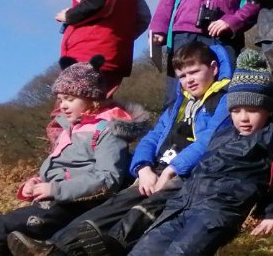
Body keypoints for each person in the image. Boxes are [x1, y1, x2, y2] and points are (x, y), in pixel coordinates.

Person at [32, 43, 236, 256]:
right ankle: (55, 247)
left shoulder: (223, 101)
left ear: (213, 68)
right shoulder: (177, 106)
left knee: (147, 206)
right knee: (113, 206)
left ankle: (111, 245)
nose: (189, 80)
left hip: (186, 173)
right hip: (156, 169)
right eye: (182, 76)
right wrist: (142, 167)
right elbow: (151, 138)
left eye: (194, 72)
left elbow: (207, 141)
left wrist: (171, 170)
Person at [0, 57, 150, 256]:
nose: (63, 105)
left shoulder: (107, 131)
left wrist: (55, 189)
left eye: (70, 98)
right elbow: (62, 169)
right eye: (61, 99)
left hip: (75, 205)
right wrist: (35, 183)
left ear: (92, 97)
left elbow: (108, 179)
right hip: (57, 201)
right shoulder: (69, 129)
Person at [127, 76, 273, 256]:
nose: (243, 118)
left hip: (216, 213)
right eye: (236, 110)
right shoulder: (222, 134)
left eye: (252, 110)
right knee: (141, 250)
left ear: (270, 110)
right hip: (180, 205)